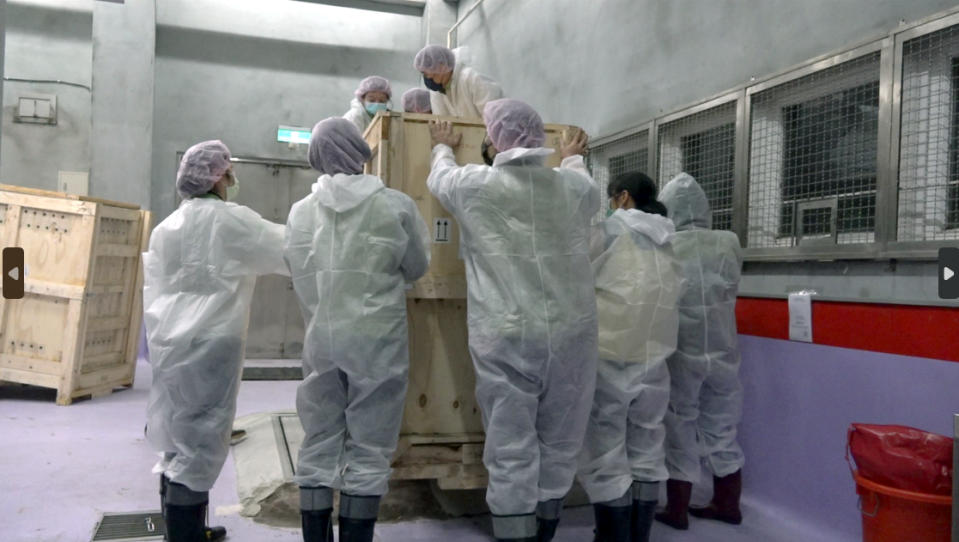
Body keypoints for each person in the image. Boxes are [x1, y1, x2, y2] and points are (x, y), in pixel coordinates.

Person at [427, 99, 598, 542]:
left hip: (506, 335)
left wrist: (443, 146)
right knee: (560, 442)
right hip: (571, 334)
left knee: (510, 446)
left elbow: (439, 179)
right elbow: (583, 181)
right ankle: (545, 532)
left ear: (494, 138)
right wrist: (573, 153)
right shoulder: (572, 188)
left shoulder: (474, 184)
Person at [286, 117, 431, 542]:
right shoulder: (395, 204)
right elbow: (418, 265)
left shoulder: (300, 212)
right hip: (376, 338)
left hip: (322, 335)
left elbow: (294, 266)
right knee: (369, 446)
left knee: (319, 437)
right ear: (359, 152)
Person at [144, 140, 290, 542]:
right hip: (213, 343)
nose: (232, 179)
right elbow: (288, 249)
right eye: (228, 172)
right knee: (203, 439)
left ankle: (186, 529)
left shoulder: (165, 228)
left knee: (176, 436)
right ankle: (186, 537)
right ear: (218, 177)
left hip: (169, 342)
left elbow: (154, 288)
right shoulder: (231, 220)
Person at [577, 172, 685, 542]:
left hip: (609, 355)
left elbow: (576, 275)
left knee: (606, 452)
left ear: (623, 198)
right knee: (646, 449)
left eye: (610, 198)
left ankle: (611, 538)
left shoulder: (611, 232)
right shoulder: (670, 238)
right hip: (654, 357)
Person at [655, 173, 745, 531]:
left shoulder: (665, 243)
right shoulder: (729, 242)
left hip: (682, 350)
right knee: (723, 425)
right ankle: (728, 504)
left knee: (680, 425)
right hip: (723, 349)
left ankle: (676, 509)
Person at [414, 45, 505, 118]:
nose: (426, 78)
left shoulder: (471, 78)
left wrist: (486, 141)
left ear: (441, 67)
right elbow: (442, 123)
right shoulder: (438, 92)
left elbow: (495, 117)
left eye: (426, 73)